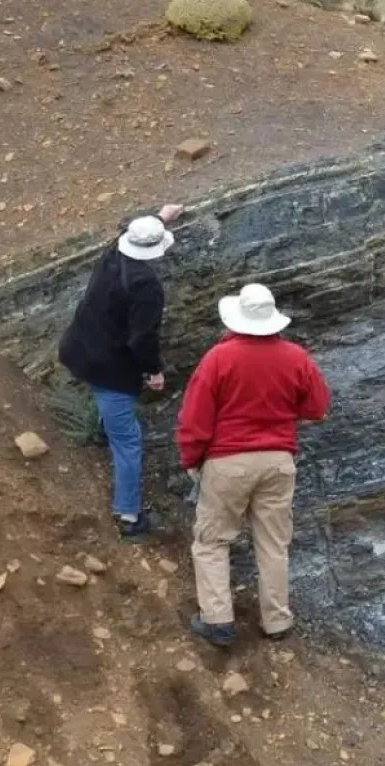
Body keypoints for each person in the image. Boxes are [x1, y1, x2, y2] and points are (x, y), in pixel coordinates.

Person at [176, 283, 330, 648]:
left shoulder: (219, 358)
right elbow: (317, 407)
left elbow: (195, 418)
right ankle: (276, 620)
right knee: (274, 543)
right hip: (278, 461)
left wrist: (191, 458)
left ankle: (218, 620)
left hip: (228, 462)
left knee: (212, 541)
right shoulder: (295, 357)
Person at [59, 204, 184, 538]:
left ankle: (101, 432)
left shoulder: (112, 253)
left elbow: (133, 231)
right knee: (128, 442)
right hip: (109, 369)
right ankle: (128, 515)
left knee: (109, 411)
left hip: (78, 349)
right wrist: (153, 371)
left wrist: (160, 217)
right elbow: (142, 338)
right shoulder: (147, 286)